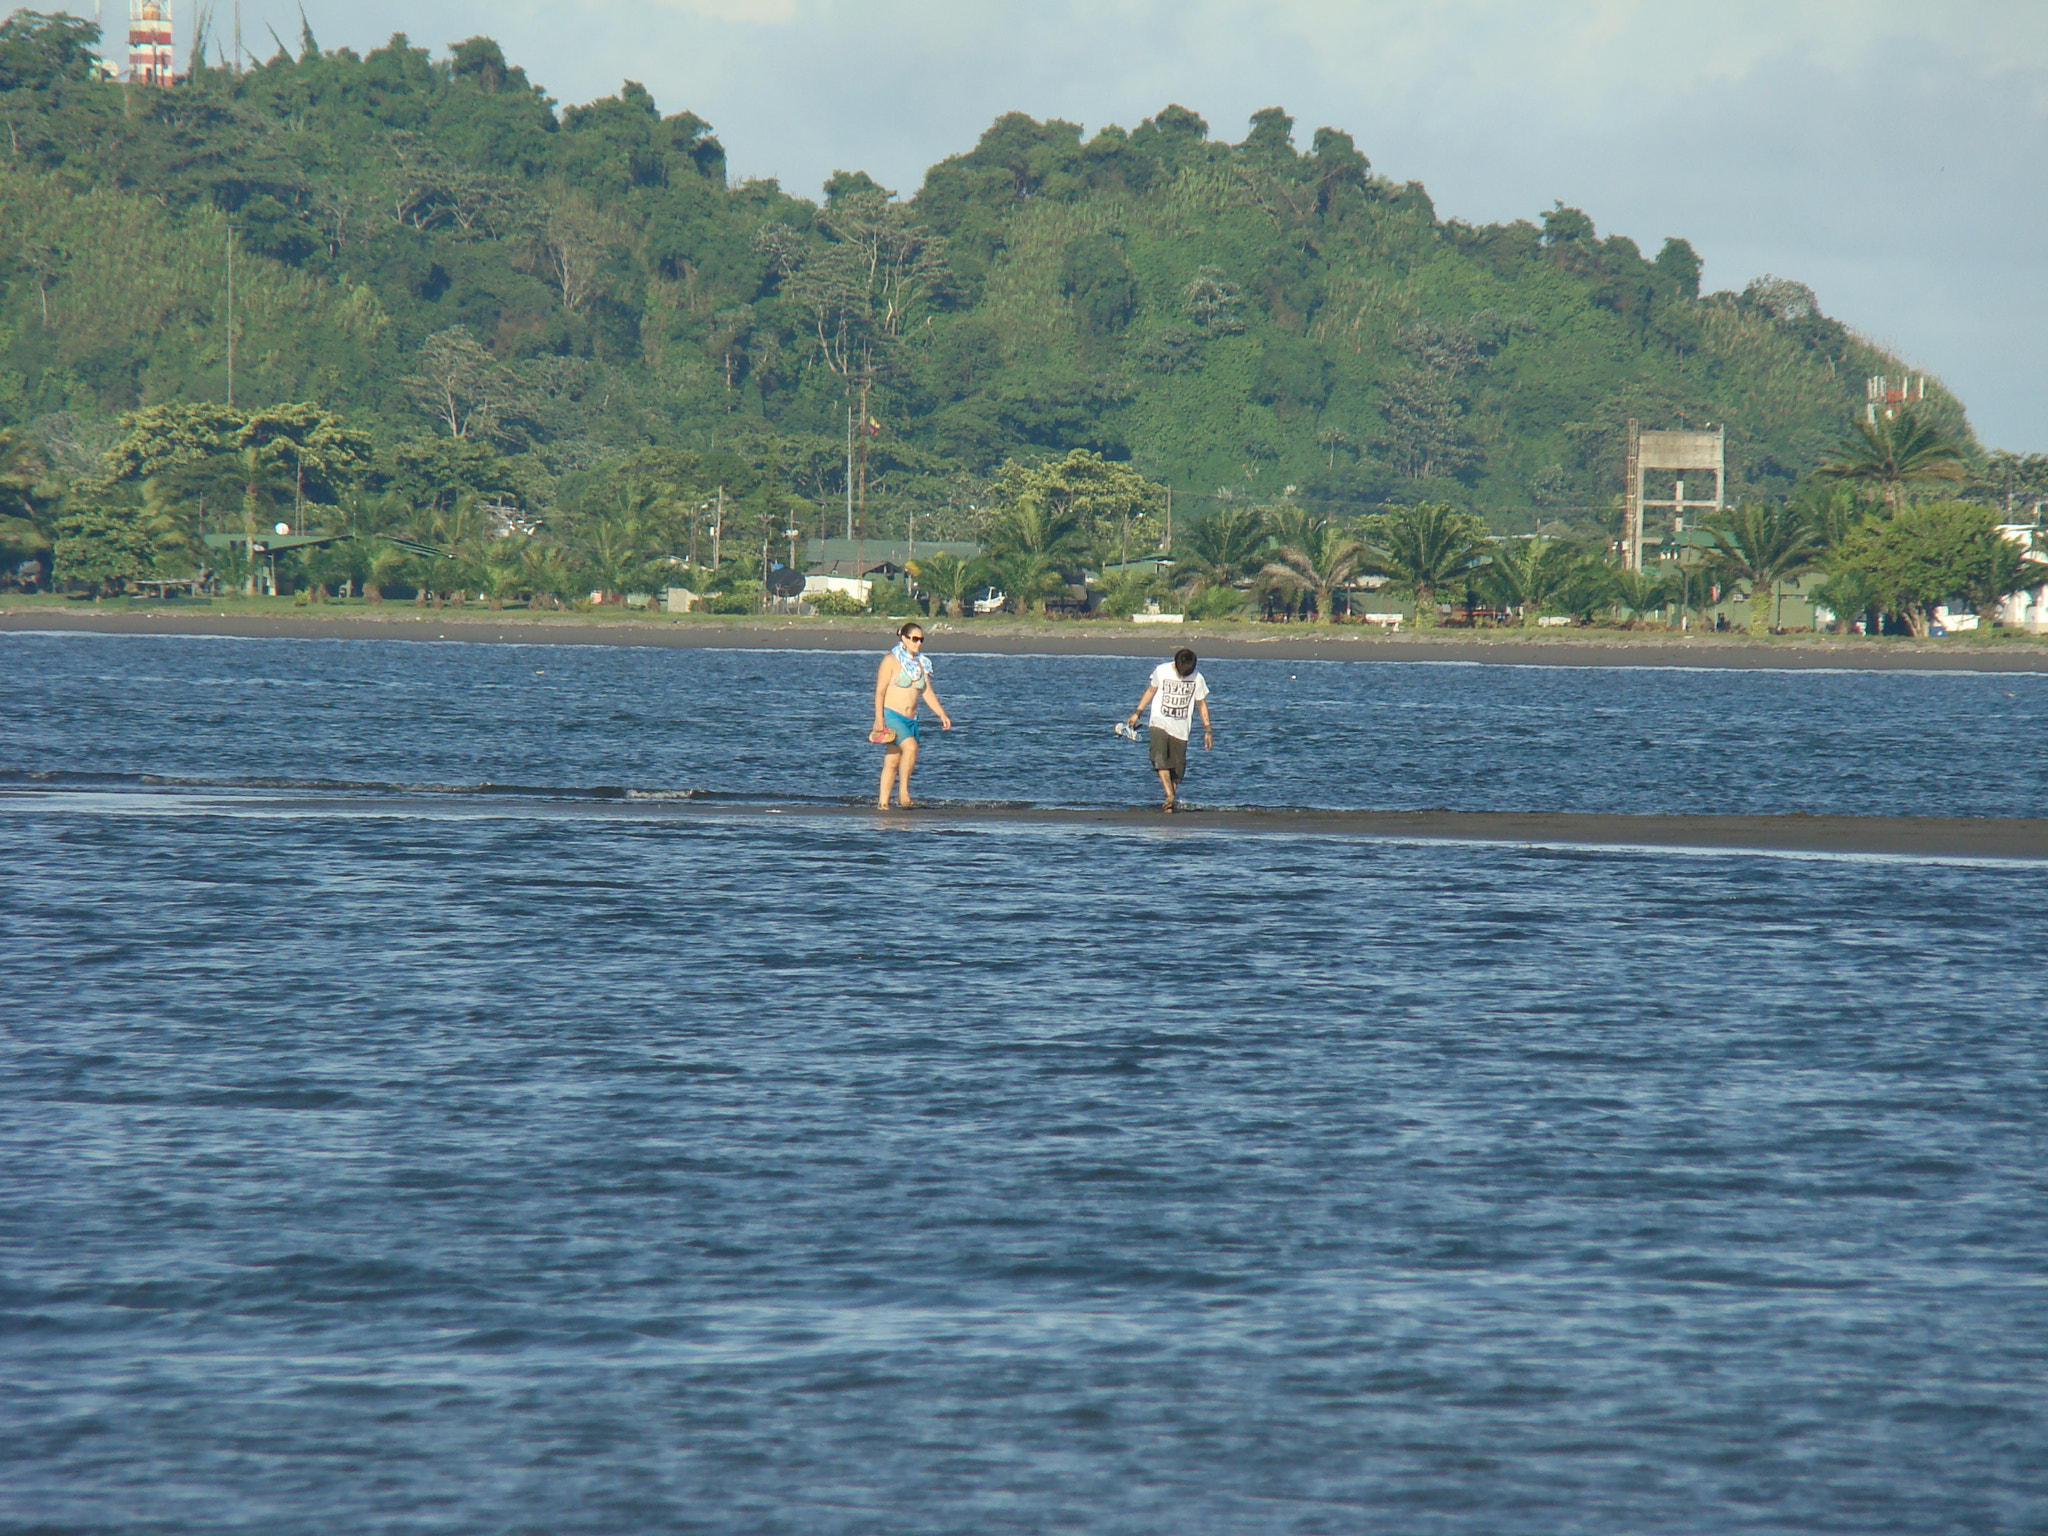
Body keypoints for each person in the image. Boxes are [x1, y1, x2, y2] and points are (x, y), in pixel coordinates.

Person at [871, 621, 953, 808]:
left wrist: (941, 714)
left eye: (921, 640)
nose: (918, 643)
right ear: (904, 638)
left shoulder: (921, 663)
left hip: (911, 719)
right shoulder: (890, 660)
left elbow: (926, 691)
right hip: (892, 715)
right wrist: (879, 719)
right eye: (915, 639)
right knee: (911, 748)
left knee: (893, 759)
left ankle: (883, 804)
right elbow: (880, 691)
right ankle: (904, 794)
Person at [1124, 647, 1212, 812]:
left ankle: (1169, 804)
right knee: (1160, 758)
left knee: (1177, 771)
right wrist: (1137, 713)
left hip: (1181, 728)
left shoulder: (1198, 678)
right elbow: (1151, 690)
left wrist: (1207, 730)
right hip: (1159, 722)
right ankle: (1170, 797)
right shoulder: (1162, 671)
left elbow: (1201, 703)